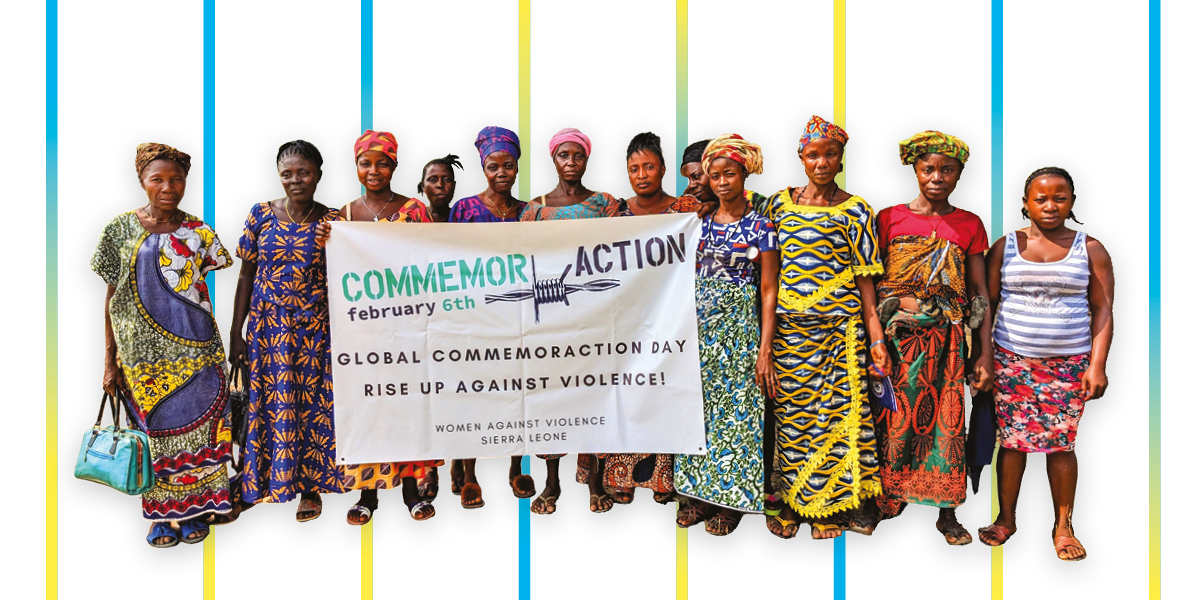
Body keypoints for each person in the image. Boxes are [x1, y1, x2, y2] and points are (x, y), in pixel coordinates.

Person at [93, 142, 234, 547]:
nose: (168, 187)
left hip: (198, 354)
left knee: (202, 434)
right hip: (141, 360)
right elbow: (110, 298)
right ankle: (159, 517)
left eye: (177, 179)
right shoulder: (118, 231)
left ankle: (198, 509)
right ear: (142, 181)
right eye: (158, 179)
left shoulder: (198, 231)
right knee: (152, 437)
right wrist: (109, 361)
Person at [760, 115, 887, 539]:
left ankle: (829, 509)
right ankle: (795, 504)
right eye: (813, 154)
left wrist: (876, 340)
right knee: (793, 420)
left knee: (834, 421)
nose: (821, 162)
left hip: (840, 333)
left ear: (841, 159)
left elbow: (866, 281)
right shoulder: (778, 204)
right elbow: (768, 277)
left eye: (830, 154)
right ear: (801, 157)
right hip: (790, 335)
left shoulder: (856, 209)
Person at [978, 166, 1113, 561]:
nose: (1050, 205)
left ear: (1072, 202)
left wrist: (1097, 366)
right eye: (1041, 198)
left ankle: (1063, 525)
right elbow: (986, 307)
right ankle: (1006, 518)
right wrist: (984, 357)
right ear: (1026, 204)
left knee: (1061, 447)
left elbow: (1102, 310)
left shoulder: (1090, 249)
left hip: (1068, 365)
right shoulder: (1005, 246)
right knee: (1013, 444)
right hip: (1011, 361)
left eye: (1060, 197)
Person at [871, 131, 994, 544]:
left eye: (947, 170)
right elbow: (870, 282)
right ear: (915, 170)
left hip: (948, 344)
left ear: (959, 174)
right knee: (891, 420)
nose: (937, 177)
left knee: (947, 422)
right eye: (928, 169)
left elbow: (979, 293)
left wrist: (984, 354)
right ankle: (888, 500)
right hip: (896, 343)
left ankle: (947, 511)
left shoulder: (970, 225)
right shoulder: (888, 219)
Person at [326, 130, 441, 524]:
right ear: (355, 166)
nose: (373, 170)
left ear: (394, 165)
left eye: (382, 162)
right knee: (367, 409)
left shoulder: (415, 211)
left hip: (407, 329)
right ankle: (367, 495)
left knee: (406, 406)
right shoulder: (340, 217)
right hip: (360, 334)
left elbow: (433, 261)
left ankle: (412, 492)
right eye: (365, 162)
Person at [229, 140, 344, 522]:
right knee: (267, 404)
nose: (296, 180)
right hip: (267, 331)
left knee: (312, 409)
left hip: (316, 332)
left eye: (304, 173)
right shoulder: (260, 215)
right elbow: (246, 274)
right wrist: (236, 332)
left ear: (319, 175)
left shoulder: (333, 222)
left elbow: (351, 275)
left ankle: (310, 490)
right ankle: (258, 483)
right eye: (287, 174)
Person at [673, 134, 779, 536]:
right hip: (699, 332)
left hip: (740, 333)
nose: (720, 182)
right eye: (714, 175)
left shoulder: (761, 227)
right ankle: (698, 496)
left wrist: (764, 350)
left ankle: (732, 503)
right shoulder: (696, 222)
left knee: (737, 418)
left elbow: (769, 290)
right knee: (698, 413)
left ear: (743, 175)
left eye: (728, 174)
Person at [520, 127, 620, 515]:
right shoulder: (534, 210)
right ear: (553, 159)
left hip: (594, 316)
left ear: (587, 159)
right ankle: (552, 481)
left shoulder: (605, 205)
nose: (571, 163)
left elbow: (632, 246)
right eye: (564, 156)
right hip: (550, 318)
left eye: (578, 156)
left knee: (592, 395)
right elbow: (519, 260)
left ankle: (594, 481)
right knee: (552, 399)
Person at [599, 132, 700, 506]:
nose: (641, 175)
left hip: (673, 319)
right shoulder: (616, 213)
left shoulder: (685, 211)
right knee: (629, 393)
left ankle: (663, 477)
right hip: (627, 318)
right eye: (634, 169)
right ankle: (621, 476)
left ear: (662, 168)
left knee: (666, 392)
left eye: (649, 166)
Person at [444, 126, 529, 510]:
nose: (501, 173)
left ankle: (516, 466)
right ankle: (470, 473)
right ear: (483, 167)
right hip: (474, 318)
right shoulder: (464, 209)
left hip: (518, 317)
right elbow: (449, 260)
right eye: (493, 166)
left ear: (517, 168)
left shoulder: (529, 212)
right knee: (472, 395)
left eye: (508, 166)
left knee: (517, 394)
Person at [419, 153, 463, 223]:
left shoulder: (465, 219)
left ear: (454, 186)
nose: (440, 185)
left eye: (447, 180)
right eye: (433, 180)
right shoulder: (412, 218)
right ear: (423, 186)